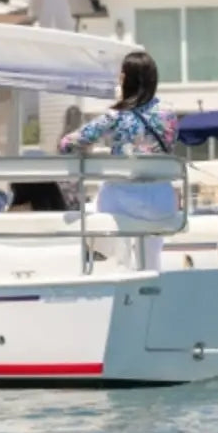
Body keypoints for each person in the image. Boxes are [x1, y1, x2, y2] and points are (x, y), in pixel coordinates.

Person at [57, 50, 178, 270]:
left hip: (122, 201)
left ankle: (116, 272)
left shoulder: (115, 116)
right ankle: (152, 281)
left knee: (100, 224)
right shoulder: (168, 115)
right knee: (151, 261)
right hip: (161, 201)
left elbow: (67, 144)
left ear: (124, 80)